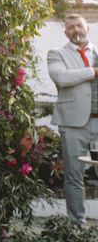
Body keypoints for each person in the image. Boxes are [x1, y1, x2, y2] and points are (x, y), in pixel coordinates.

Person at [48, 14, 98, 226]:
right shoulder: (56, 54)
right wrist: (93, 72)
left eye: (79, 25)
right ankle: (78, 226)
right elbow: (61, 77)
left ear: (87, 27)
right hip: (72, 123)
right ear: (65, 32)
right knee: (74, 176)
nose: (75, 29)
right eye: (70, 27)